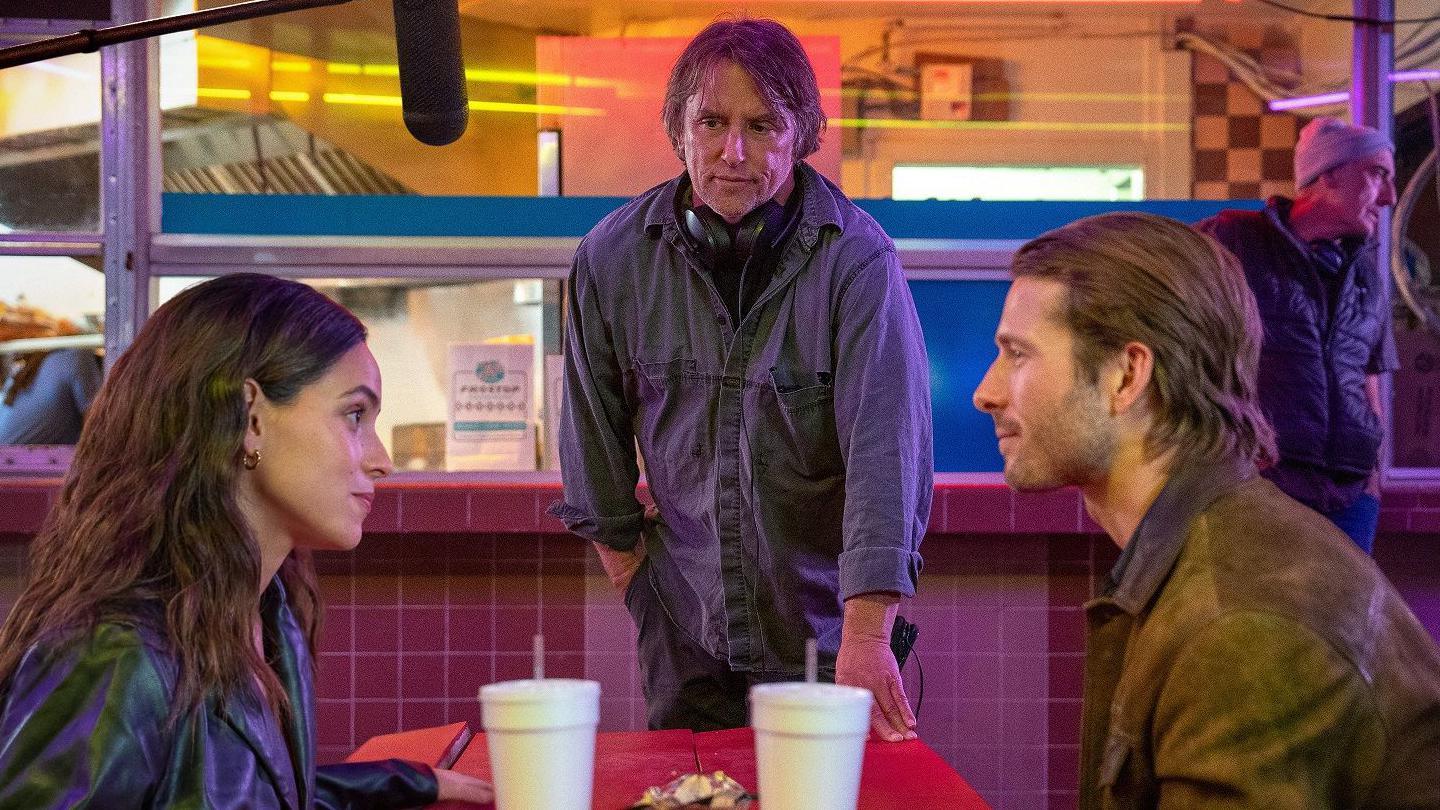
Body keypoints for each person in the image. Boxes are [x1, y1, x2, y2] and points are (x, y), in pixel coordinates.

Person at [972, 212, 1440, 807]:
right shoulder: (1206, 550)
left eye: (1017, 354)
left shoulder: (1242, 622)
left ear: (1126, 376)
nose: (985, 391)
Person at [550, 18, 932, 740]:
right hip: (683, 631)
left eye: (762, 125)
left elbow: (889, 460)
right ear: (678, 129)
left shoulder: (857, 263)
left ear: (802, 135)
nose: (733, 151)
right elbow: (589, 442)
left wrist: (866, 635)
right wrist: (638, 585)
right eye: (711, 122)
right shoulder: (611, 259)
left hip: (825, 635)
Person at [0, 274, 493, 808]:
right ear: (250, 418)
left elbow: (246, 794)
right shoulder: (113, 655)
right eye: (354, 415)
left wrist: (406, 782)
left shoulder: (266, 612)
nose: (381, 461)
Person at [1196, 117, 1399, 552]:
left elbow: (1370, 378)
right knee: (1260, 615)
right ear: (1328, 175)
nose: (1389, 198)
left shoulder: (1364, 274)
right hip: (1261, 488)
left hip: (1349, 495)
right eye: (1377, 174)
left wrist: (1373, 480)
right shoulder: (1234, 241)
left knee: (1341, 620)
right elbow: (1175, 339)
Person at [0, 348, 102, 445]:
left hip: (14, 459)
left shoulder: (29, 367)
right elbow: (98, 429)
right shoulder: (76, 356)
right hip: (23, 461)